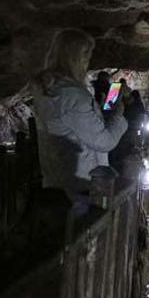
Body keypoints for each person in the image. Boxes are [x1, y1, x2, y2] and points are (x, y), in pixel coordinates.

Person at [31, 29, 127, 212]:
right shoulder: (73, 95)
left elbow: (74, 127)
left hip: (57, 179)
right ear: (74, 58)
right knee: (85, 233)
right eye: (86, 56)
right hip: (83, 184)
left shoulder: (49, 89)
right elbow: (104, 142)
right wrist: (118, 116)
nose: (87, 62)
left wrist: (98, 112)